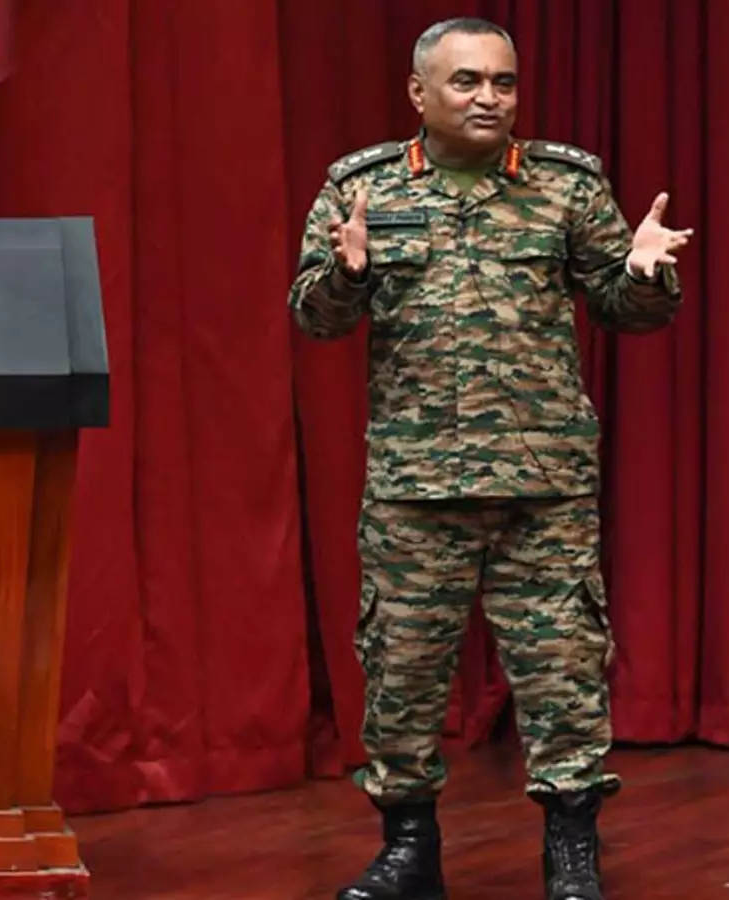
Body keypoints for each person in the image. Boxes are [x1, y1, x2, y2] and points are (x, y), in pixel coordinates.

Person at [287, 17, 691, 900]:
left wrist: (644, 273)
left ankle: (572, 855)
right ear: (418, 92)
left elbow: (627, 311)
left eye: (503, 83)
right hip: (416, 484)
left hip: (542, 484)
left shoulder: (566, 184)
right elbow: (315, 318)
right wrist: (348, 274)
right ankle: (408, 850)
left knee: (565, 673)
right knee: (400, 674)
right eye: (466, 81)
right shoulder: (361, 188)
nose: (488, 98)